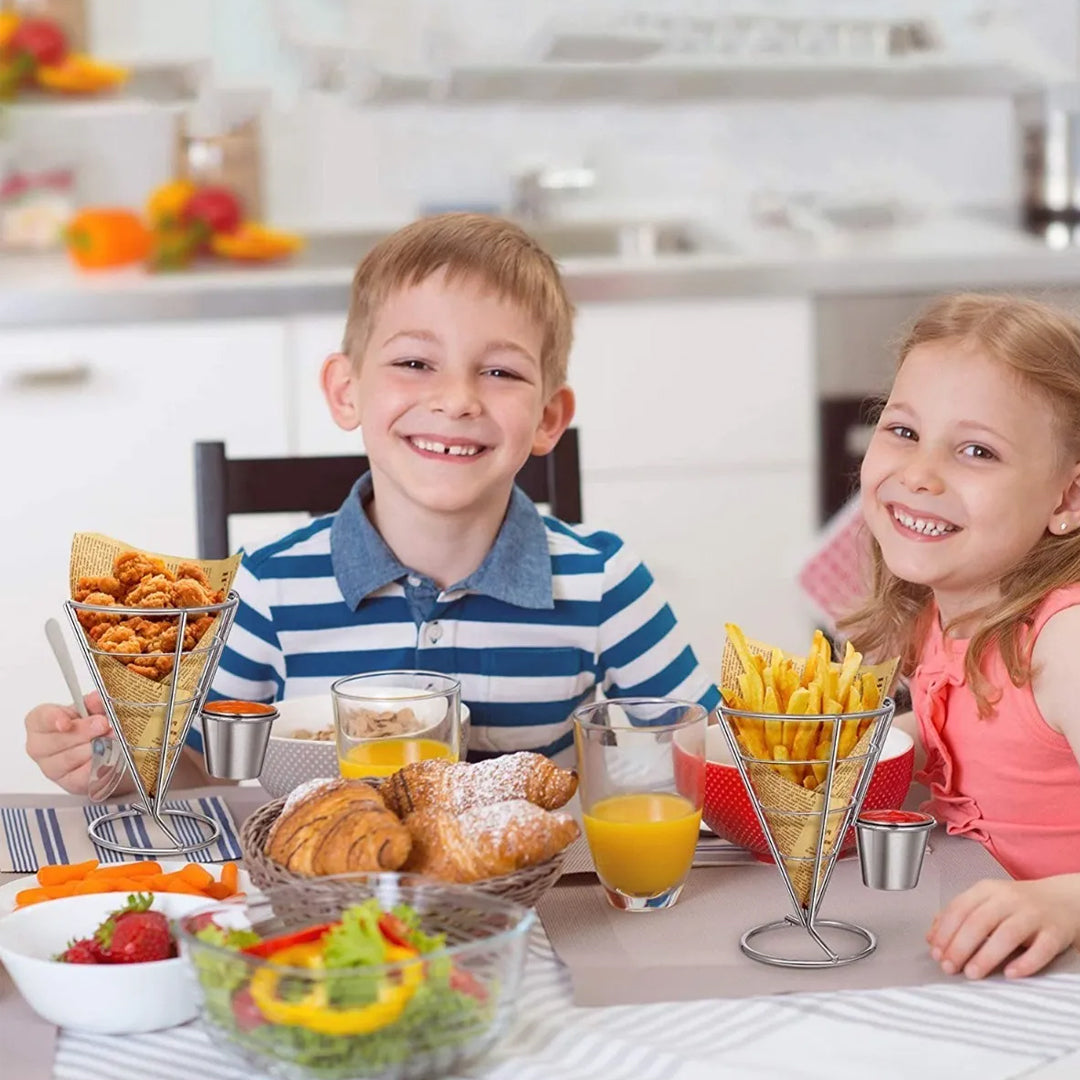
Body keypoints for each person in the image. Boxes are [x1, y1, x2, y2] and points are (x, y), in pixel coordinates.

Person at [25, 212, 719, 794]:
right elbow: (199, 763)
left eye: (500, 371)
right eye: (416, 363)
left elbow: (712, 750)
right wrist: (107, 762)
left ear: (546, 418)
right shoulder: (268, 588)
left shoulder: (604, 582)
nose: (456, 399)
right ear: (346, 391)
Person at [843, 292, 1080, 980]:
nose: (918, 474)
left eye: (976, 451)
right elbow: (981, 737)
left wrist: (1065, 901)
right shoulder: (941, 608)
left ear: (1067, 499)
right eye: (904, 432)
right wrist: (878, 749)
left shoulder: (1063, 647)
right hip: (984, 962)